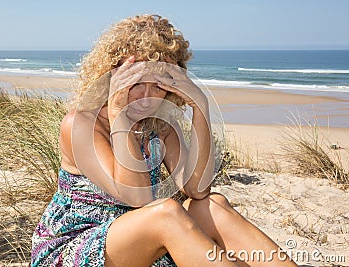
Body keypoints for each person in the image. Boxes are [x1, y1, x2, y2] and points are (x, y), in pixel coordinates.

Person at [31, 14, 297, 267]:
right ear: (112, 74)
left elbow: (197, 189)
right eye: (136, 82)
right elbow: (136, 196)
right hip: (76, 248)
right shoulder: (82, 124)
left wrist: (200, 107)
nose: (147, 96)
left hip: (147, 242)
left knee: (212, 205)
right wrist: (117, 113)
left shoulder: (158, 127)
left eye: (158, 84)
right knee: (166, 213)